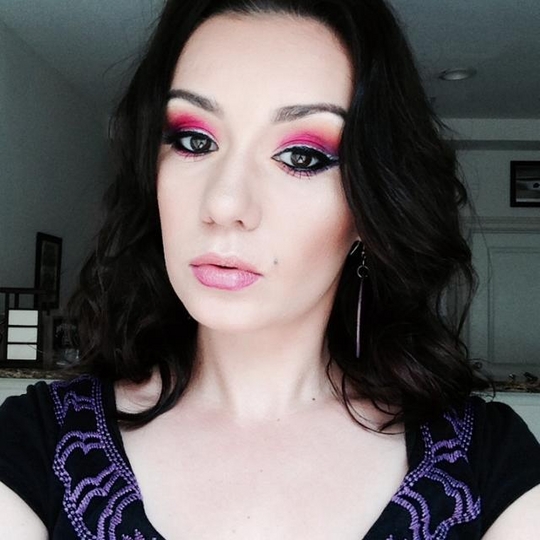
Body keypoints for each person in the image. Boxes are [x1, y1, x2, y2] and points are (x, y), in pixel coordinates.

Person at [1, 0, 539, 538]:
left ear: (369, 208)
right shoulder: (39, 440)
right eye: (194, 140)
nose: (225, 202)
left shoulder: (487, 461)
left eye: (302, 156)